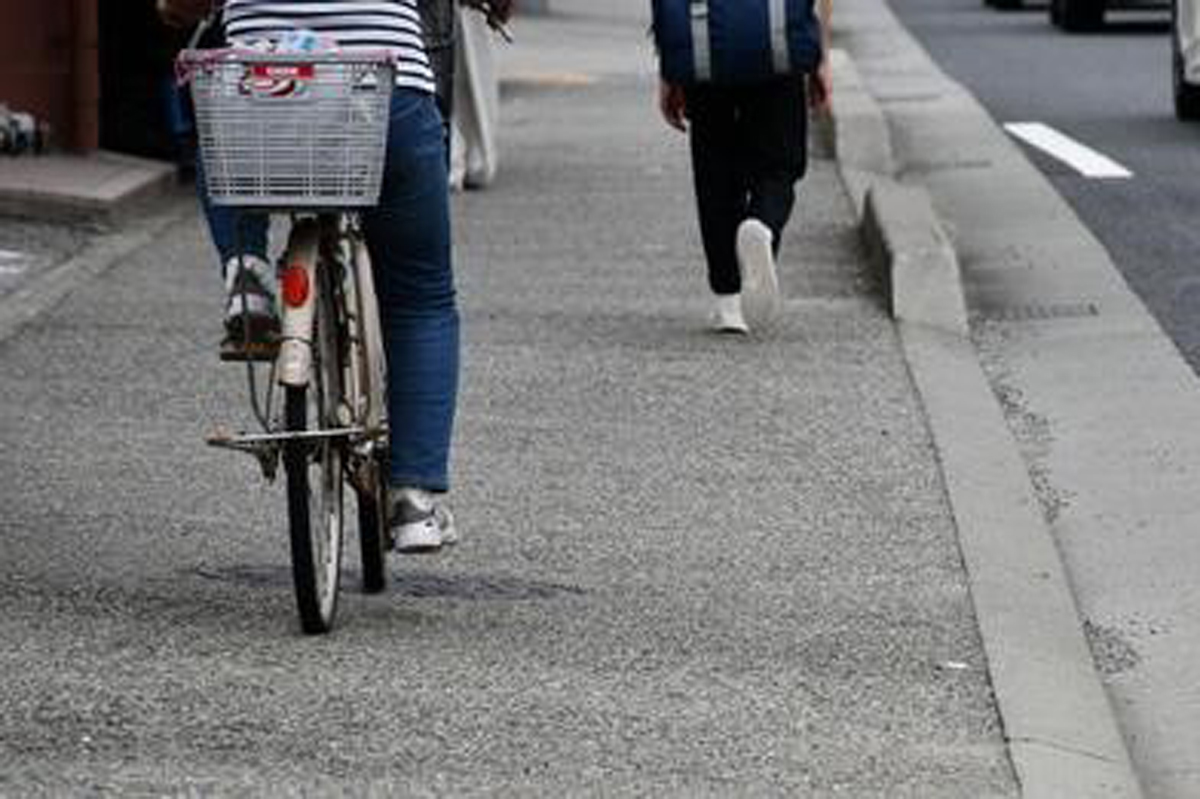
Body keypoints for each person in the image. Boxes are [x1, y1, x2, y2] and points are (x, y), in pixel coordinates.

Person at [159, 0, 510, 553]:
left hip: (265, 106)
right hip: (385, 102)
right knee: (421, 297)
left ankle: (246, 273)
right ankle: (412, 499)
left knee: (220, 108)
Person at [658, 0, 834, 335]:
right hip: (777, 44)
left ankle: (728, 301)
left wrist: (669, 69)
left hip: (704, 40)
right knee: (780, 165)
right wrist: (820, 55)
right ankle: (762, 223)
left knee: (714, 170)